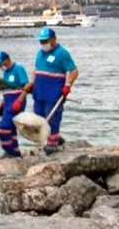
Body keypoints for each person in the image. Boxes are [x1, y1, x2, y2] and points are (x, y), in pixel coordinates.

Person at [19, 27, 78, 155]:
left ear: (53, 39)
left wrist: (68, 85)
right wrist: (31, 83)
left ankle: (53, 142)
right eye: (41, 41)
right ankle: (51, 137)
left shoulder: (62, 53)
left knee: (53, 116)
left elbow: (74, 71)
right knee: (38, 117)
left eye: (45, 41)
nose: (43, 43)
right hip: (39, 91)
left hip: (54, 92)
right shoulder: (40, 53)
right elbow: (37, 70)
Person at [0, 51, 29, 158]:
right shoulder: (5, 73)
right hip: (8, 101)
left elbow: (27, 86)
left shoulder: (18, 69)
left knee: (2, 127)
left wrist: (20, 100)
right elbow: (6, 89)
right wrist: (2, 103)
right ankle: (15, 151)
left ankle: (9, 151)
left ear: (6, 60)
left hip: (16, 101)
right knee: (11, 128)